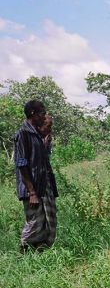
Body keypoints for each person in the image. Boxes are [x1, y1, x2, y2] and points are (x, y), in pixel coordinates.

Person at [14, 100, 58, 253]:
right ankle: (23, 253)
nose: (44, 116)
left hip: (43, 186)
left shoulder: (36, 135)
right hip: (32, 189)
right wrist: (31, 192)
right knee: (35, 224)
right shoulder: (23, 134)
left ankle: (40, 254)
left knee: (48, 224)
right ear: (33, 114)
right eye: (42, 113)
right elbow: (21, 163)